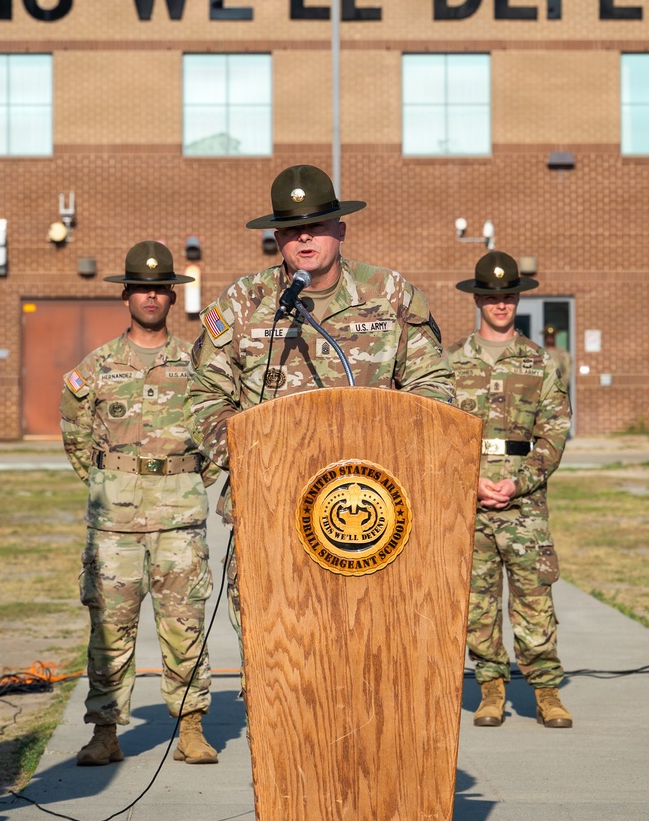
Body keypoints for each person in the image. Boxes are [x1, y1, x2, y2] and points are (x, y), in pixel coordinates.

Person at [185, 163, 455, 645]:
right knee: (275, 654)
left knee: (371, 647)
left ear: (341, 229)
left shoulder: (390, 295)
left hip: (372, 509)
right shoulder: (243, 304)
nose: (304, 237)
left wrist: (398, 455)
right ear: (276, 238)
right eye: (290, 229)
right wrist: (259, 458)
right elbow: (204, 399)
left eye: (316, 225)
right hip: (271, 507)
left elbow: (433, 388)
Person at [60, 241, 219, 767]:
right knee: (109, 626)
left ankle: (191, 726)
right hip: (116, 524)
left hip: (179, 519)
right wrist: (113, 483)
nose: (151, 296)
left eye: (160, 289)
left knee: (184, 622)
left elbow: (221, 433)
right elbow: (75, 434)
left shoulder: (198, 365)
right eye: (141, 288)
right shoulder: (98, 366)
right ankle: (105, 731)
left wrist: (192, 478)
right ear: (125, 296)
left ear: (172, 298)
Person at [448, 251, 573, 729]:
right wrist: (469, 481)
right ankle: (491, 691)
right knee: (477, 603)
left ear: (517, 298)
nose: (500, 304)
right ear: (478, 299)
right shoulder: (451, 363)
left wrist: (517, 483)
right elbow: (438, 434)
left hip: (524, 506)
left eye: (508, 296)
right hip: (471, 503)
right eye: (492, 297)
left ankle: (546, 693)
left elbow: (555, 432)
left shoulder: (541, 363)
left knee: (534, 599)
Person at [543, 325, 571, 392]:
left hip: (558, 388)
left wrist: (563, 384)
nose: (550, 339)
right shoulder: (540, 352)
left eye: (552, 336)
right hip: (544, 388)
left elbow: (568, 370)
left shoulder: (562, 353)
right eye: (548, 336)